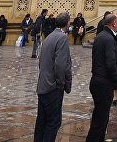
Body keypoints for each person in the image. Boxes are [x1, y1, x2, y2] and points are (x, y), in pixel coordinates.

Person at [34, 12, 73, 142]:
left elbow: (41, 62)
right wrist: (61, 84)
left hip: (43, 86)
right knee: (53, 123)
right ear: (67, 23)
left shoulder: (49, 37)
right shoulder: (62, 38)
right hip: (53, 88)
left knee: (41, 122)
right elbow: (61, 65)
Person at [86, 13, 117, 142]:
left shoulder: (100, 36)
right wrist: (115, 80)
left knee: (98, 116)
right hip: (104, 83)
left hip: (96, 80)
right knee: (101, 120)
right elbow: (111, 63)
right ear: (114, 24)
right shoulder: (109, 39)